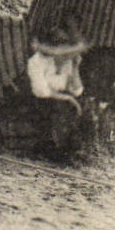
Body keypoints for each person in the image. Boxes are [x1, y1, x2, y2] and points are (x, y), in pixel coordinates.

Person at [26, 25, 88, 161]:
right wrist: (69, 99)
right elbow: (41, 91)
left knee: (82, 104)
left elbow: (77, 91)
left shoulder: (67, 61)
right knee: (60, 107)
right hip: (38, 100)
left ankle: (74, 148)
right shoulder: (36, 62)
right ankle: (60, 150)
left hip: (60, 99)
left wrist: (75, 67)